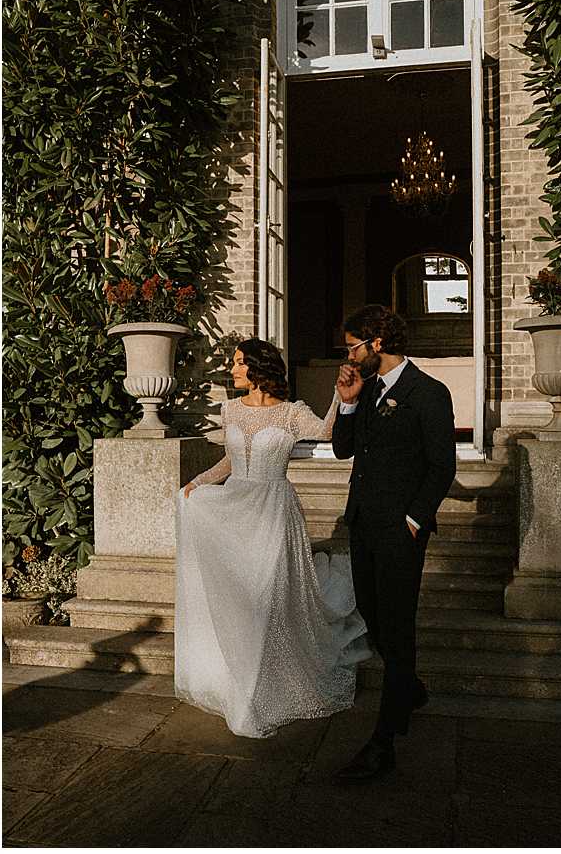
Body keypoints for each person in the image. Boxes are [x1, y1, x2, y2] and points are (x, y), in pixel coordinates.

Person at [175, 338, 369, 738]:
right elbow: (230, 460)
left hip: (274, 510)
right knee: (241, 600)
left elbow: (328, 433)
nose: (233, 370)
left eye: (239, 363)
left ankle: (260, 693)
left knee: (267, 598)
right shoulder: (230, 409)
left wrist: (339, 396)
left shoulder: (291, 413)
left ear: (259, 368)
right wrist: (195, 483)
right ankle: (240, 686)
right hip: (235, 510)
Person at [331, 304, 456, 783]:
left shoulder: (428, 392)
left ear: (376, 343)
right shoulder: (363, 390)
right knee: (373, 615)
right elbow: (344, 449)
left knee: (398, 627)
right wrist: (346, 401)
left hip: (401, 530)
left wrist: (414, 518)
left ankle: (384, 742)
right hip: (363, 523)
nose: (348, 355)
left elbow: (442, 465)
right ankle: (412, 689)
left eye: (352, 347)